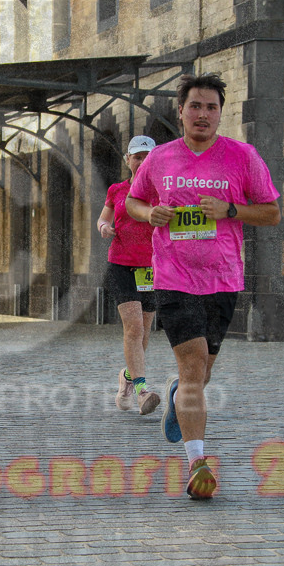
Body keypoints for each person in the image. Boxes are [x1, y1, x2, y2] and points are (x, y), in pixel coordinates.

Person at [126, 73, 281, 500]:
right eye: (195, 106)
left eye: (211, 107)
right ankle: (197, 463)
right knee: (193, 365)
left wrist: (230, 209)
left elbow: (271, 213)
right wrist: (149, 214)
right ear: (181, 111)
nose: (203, 114)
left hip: (223, 279)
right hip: (174, 277)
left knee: (201, 372)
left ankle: (179, 396)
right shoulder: (161, 159)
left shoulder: (242, 156)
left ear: (219, 113)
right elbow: (132, 200)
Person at [97, 135, 161, 416]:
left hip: (153, 269)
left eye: (148, 157)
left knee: (144, 335)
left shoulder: (162, 192)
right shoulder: (117, 190)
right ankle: (142, 391)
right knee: (134, 328)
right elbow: (103, 218)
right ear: (128, 160)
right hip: (122, 265)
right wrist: (103, 228)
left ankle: (127, 375)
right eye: (137, 157)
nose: (142, 161)